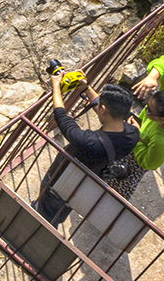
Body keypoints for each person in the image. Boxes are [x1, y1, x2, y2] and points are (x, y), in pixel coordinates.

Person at [34, 74, 140, 224]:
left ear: (103, 110)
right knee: (65, 206)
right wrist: (86, 88)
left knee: (47, 210)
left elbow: (61, 116)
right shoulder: (133, 133)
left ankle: (40, 225)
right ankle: (53, 216)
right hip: (85, 183)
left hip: (61, 179)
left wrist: (56, 86)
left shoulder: (87, 141)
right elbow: (104, 109)